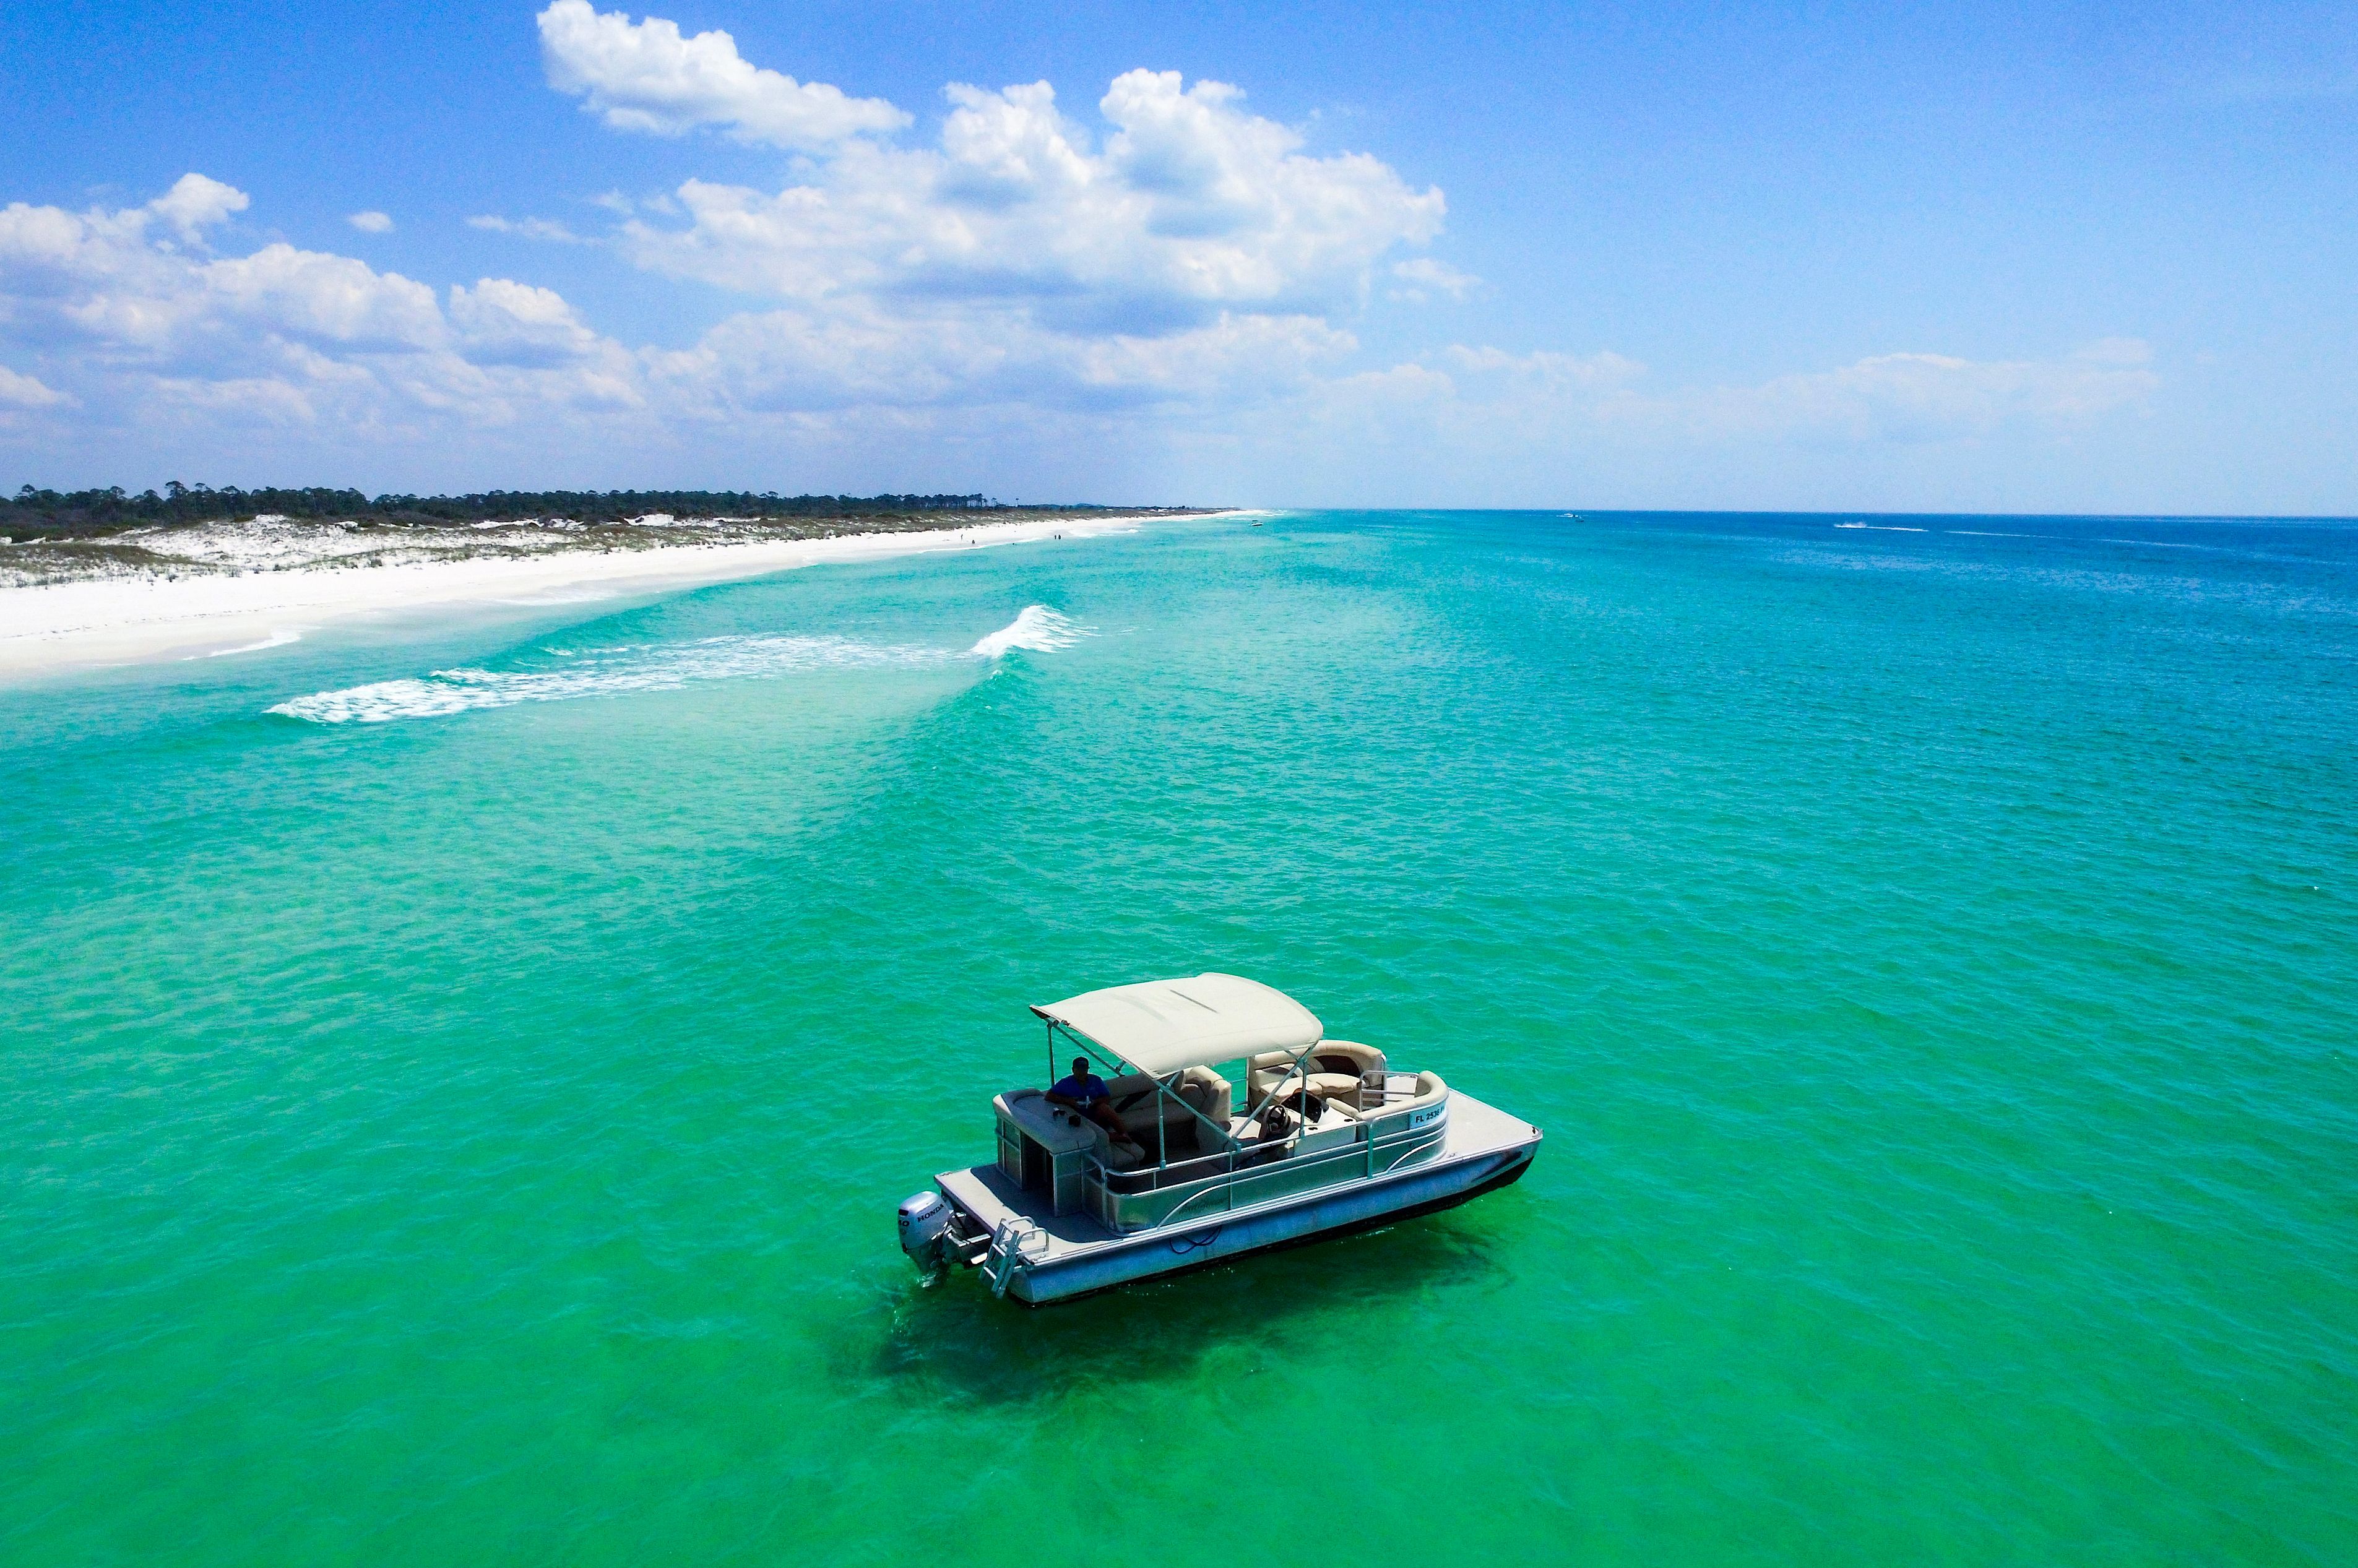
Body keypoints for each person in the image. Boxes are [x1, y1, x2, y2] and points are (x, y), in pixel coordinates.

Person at [1046, 1056, 1145, 1158]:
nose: (1081, 1072)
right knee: (1084, 1134)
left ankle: (1124, 1134)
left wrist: (1095, 1102)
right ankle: (1116, 1137)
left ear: (1088, 1069)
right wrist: (1069, 1101)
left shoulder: (1096, 1080)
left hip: (1095, 1114)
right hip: (1079, 1117)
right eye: (1078, 1069)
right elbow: (1049, 1096)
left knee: (1104, 1108)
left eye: (1084, 1069)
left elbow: (1107, 1097)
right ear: (1073, 1070)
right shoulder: (1065, 1083)